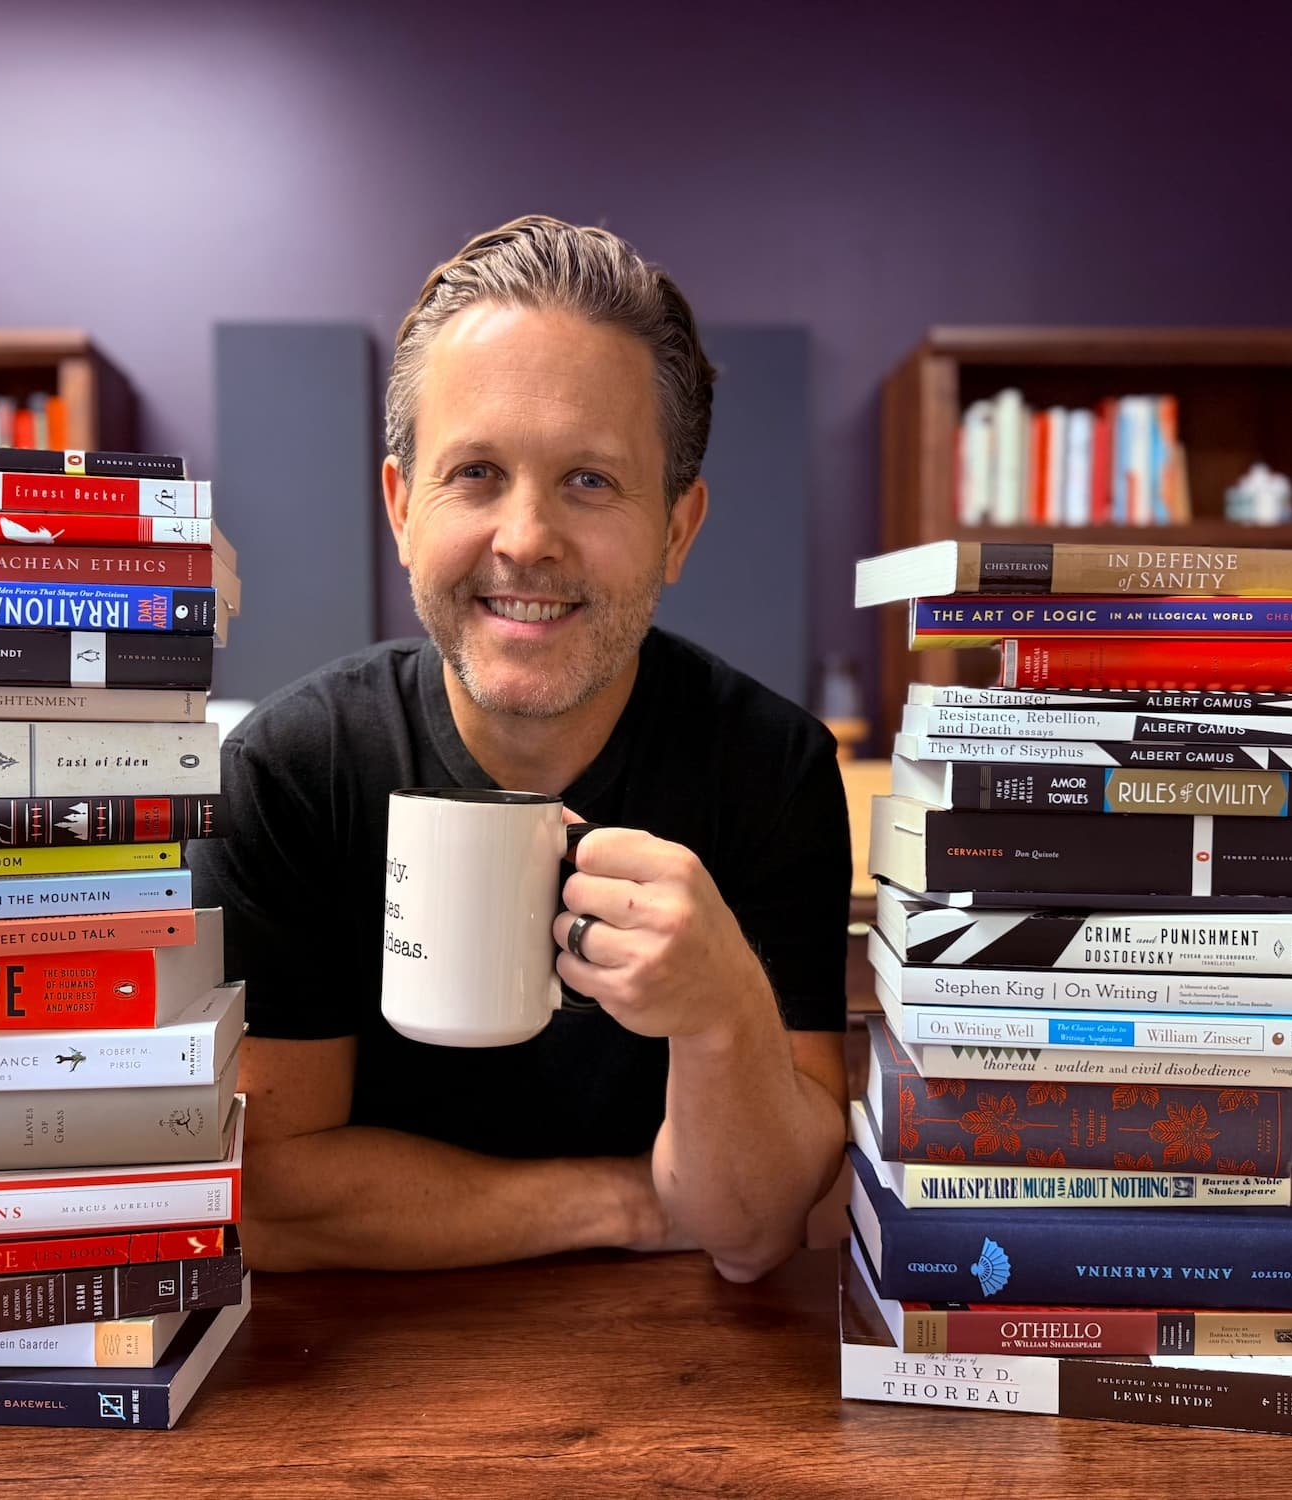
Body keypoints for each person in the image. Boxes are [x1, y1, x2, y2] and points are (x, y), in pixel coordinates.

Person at [188, 215, 850, 1282]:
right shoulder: (287, 773)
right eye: (478, 472)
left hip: (694, 1387)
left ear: (678, 528)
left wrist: (727, 1011)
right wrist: (631, 1204)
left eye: (591, 480)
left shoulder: (771, 771)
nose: (528, 537)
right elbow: (269, 1196)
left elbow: (755, 1226)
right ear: (402, 506)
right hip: (352, 1381)